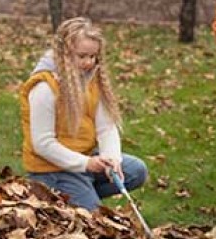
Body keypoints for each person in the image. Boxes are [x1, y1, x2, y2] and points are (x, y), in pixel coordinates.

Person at [19, 17, 148, 211]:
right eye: (82, 56)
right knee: (93, 221)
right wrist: (86, 164)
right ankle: (66, 195)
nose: (89, 62)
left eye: (93, 56)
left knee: (136, 171)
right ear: (64, 54)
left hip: (85, 158)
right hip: (52, 169)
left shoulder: (91, 80)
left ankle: (81, 193)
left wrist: (111, 159)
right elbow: (42, 144)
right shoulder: (45, 87)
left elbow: (106, 126)